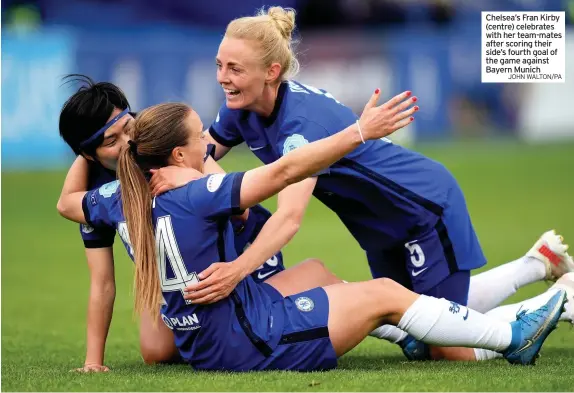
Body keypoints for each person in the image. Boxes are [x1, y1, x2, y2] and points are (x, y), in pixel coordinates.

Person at [152, 6, 573, 362]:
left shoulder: (301, 124)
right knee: (412, 320)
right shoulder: (240, 108)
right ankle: (536, 263)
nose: (222, 78)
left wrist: (236, 272)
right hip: (377, 228)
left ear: (271, 71)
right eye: (219, 66)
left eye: (234, 69)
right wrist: (166, 170)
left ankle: (563, 299)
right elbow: (196, 154)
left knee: (446, 347)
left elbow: (289, 219)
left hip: (422, 212)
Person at [56, 100, 568, 371]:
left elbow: (67, 205)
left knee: (365, 294)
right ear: (175, 156)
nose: (207, 147)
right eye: (198, 142)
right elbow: (283, 174)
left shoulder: (116, 200)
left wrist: (86, 153)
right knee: (391, 298)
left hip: (216, 332)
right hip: (247, 338)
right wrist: (357, 132)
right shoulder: (198, 192)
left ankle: (519, 298)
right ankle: (515, 335)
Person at [57, 75, 287, 371]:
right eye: (111, 141)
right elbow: (101, 280)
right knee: (157, 352)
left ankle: (326, 291)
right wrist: (93, 362)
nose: (128, 142)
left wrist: (193, 177)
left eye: (128, 127)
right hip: (182, 282)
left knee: (266, 322)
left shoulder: (164, 141)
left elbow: (243, 215)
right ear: (89, 154)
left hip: (244, 251)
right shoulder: (98, 194)